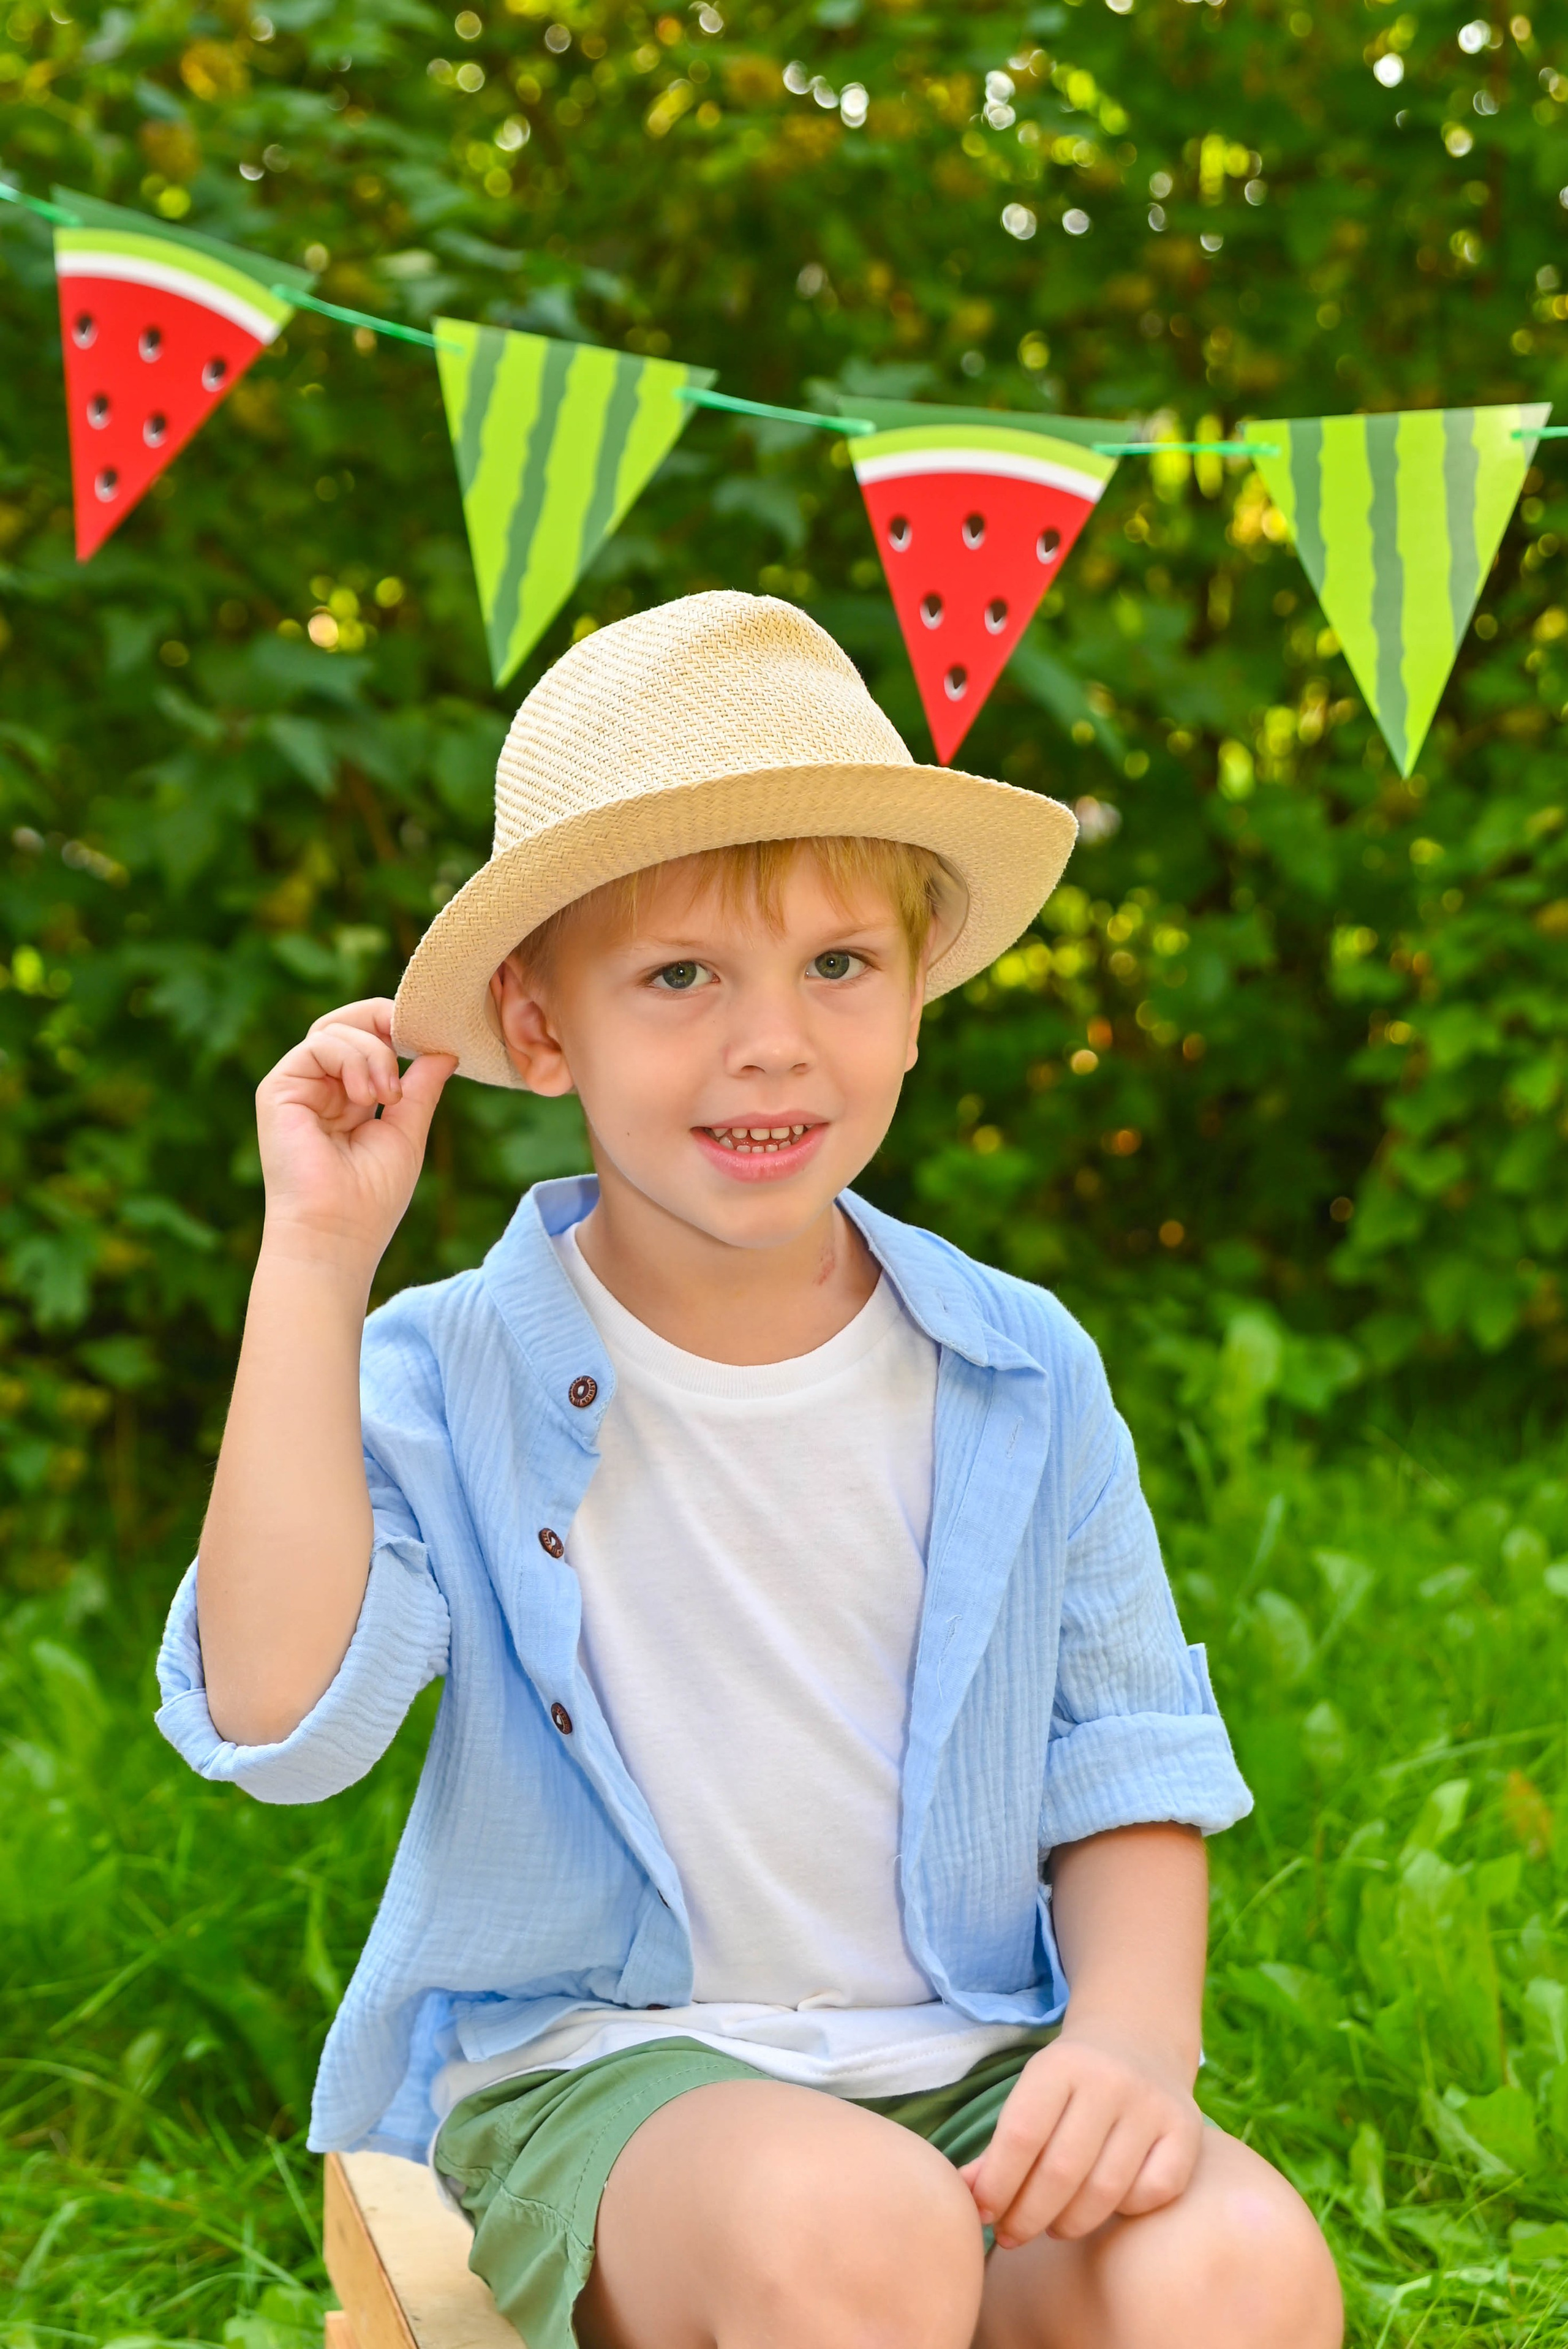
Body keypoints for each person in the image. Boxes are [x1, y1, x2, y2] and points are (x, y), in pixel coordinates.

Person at [157, 593, 1342, 2349]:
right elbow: (276, 1714)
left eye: (838, 965)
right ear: (540, 1030)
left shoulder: (1016, 1366)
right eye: (682, 974)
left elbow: (1123, 1755)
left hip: (962, 2056)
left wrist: (1127, 2039)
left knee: (1237, 2272)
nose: (773, 1039)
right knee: (845, 2231)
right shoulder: (444, 1369)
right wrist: (316, 1269)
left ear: (919, 997)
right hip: (622, 2085)